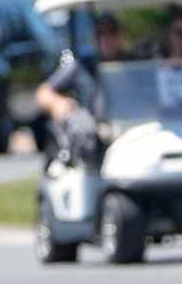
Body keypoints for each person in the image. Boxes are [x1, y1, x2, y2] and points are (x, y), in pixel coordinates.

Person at [35, 11, 126, 167]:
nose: (106, 39)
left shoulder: (132, 62)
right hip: (93, 136)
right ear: (95, 38)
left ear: (120, 36)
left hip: (127, 129)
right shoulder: (82, 65)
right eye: (101, 34)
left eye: (111, 33)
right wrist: (58, 103)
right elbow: (43, 93)